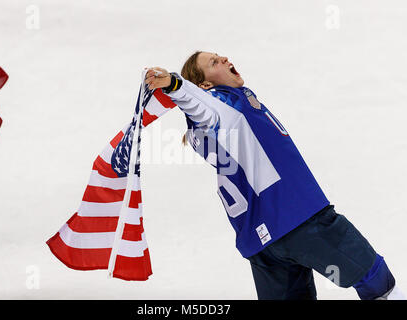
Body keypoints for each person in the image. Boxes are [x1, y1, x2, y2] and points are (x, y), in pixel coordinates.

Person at [144, 51, 405, 300]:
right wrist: (175, 85)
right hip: (299, 220)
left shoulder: (202, 129)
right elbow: (202, 105)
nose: (223, 59)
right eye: (214, 62)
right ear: (204, 85)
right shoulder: (223, 105)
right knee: (378, 282)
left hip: (263, 247)